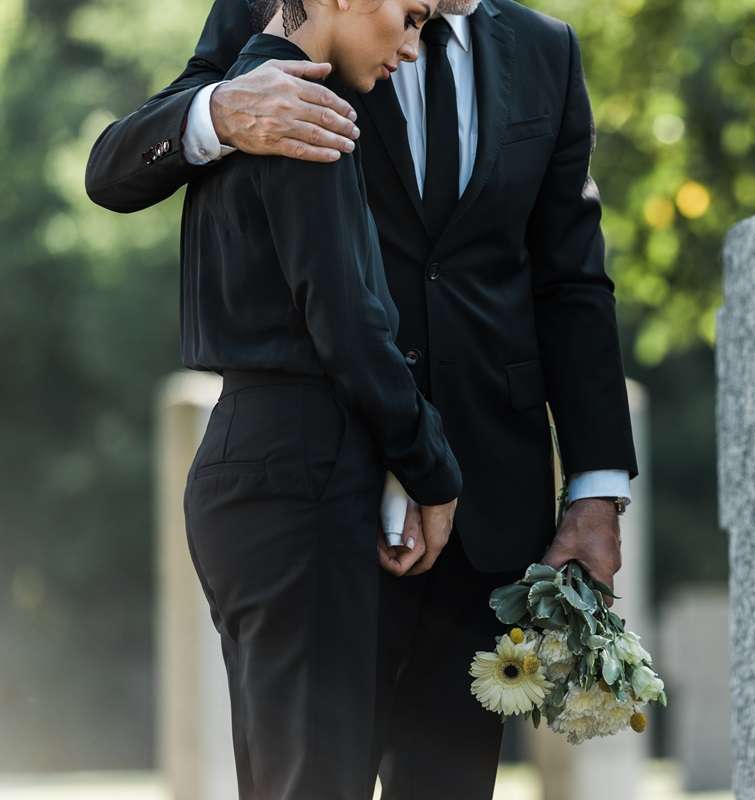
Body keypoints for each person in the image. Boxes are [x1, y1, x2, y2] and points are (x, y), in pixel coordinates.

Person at [85, 0, 639, 796]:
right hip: (321, 486)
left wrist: (596, 490)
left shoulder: (544, 50)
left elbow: (573, 279)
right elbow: (116, 168)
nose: (411, 47)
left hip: (486, 503)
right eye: (406, 20)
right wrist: (221, 114)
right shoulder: (278, 20)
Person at [178, 1, 458, 798]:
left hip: (248, 457)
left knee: (287, 777)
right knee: (316, 780)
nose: (412, 47)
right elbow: (348, 321)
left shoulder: (245, 100)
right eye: (409, 17)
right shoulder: (305, 112)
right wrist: (433, 470)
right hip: (300, 467)